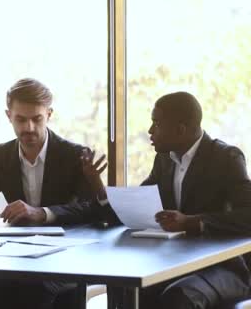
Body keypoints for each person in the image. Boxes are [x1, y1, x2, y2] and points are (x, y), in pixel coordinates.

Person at [84, 91, 251, 308]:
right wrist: (98, 185)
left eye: (156, 124)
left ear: (180, 129)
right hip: (174, 261)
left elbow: (247, 215)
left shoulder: (226, 158)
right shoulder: (164, 160)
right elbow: (135, 205)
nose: (150, 131)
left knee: (178, 297)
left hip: (223, 268)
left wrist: (191, 221)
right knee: (126, 287)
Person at [0, 78, 105, 309]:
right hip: (16, 255)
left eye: (36, 119)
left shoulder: (74, 155)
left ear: (49, 115)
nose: (29, 127)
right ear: (8, 116)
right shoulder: (2, 155)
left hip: (65, 258)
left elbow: (91, 209)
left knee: (31, 286)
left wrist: (41, 213)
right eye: (21, 119)